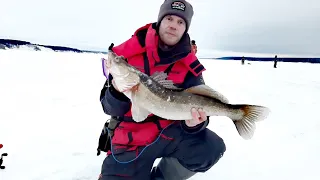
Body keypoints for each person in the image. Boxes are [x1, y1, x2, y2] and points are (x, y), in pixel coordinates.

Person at [98, 0, 226, 179]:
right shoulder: (128, 55)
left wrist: (194, 125)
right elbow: (108, 107)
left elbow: (200, 105)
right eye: (169, 19)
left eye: (180, 22)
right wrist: (116, 91)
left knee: (210, 148)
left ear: (185, 29)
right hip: (129, 137)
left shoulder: (190, 68)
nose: (173, 26)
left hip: (169, 133)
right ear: (160, 21)